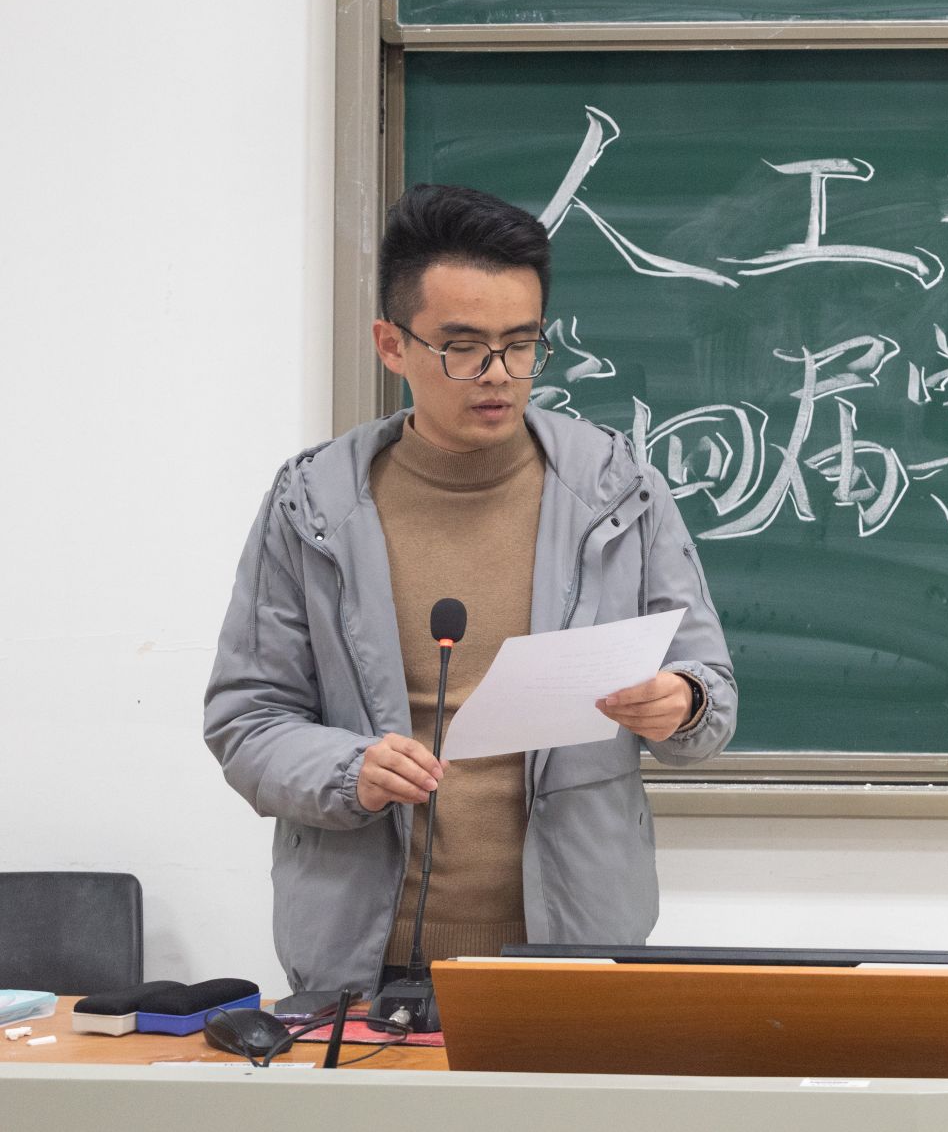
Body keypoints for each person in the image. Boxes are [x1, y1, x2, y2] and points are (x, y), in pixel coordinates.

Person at [204, 183, 735, 994]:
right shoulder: (313, 506)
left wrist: (682, 702)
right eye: (463, 347)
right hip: (367, 962)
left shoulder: (618, 491)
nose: (499, 375)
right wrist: (349, 768)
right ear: (391, 345)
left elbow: (711, 697)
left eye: (521, 345)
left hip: (574, 951)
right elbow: (246, 720)